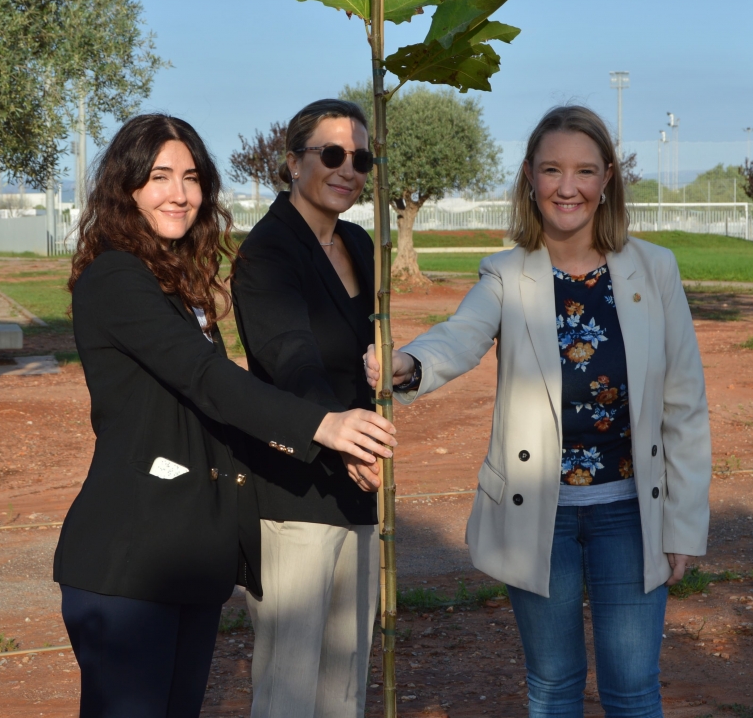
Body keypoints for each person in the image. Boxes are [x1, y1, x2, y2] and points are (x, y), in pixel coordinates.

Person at [367, 105, 711, 718]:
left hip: (632, 513)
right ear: (530, 176)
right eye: (552, 170)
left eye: (584, 170)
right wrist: (408, 364)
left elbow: (684, 404)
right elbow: (460, 336)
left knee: (633, 688)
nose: (567, 187)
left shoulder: (654, 269)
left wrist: (683, 525)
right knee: (552, 685)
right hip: (537, 514)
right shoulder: (506, 273)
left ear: (608, 178)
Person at [54, 113, 396, 718]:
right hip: (128, 560)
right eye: (159, 176)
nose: (179, 193)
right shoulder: (115, 278)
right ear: (126, 187)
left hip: (188, 559)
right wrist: (324, 426)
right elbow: (207, 379)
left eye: (191, 178)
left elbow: (216, 409)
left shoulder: (173, 282)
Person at [230, 98, 382, 718]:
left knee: (345, 687)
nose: (348, 169)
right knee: (289, 691)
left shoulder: (359, 243)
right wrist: (344, 438)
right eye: (333, 154)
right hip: (294, 492)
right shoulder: (267, 252)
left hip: (361, 485)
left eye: (361, 159)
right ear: (293, 162)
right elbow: (290, 360)